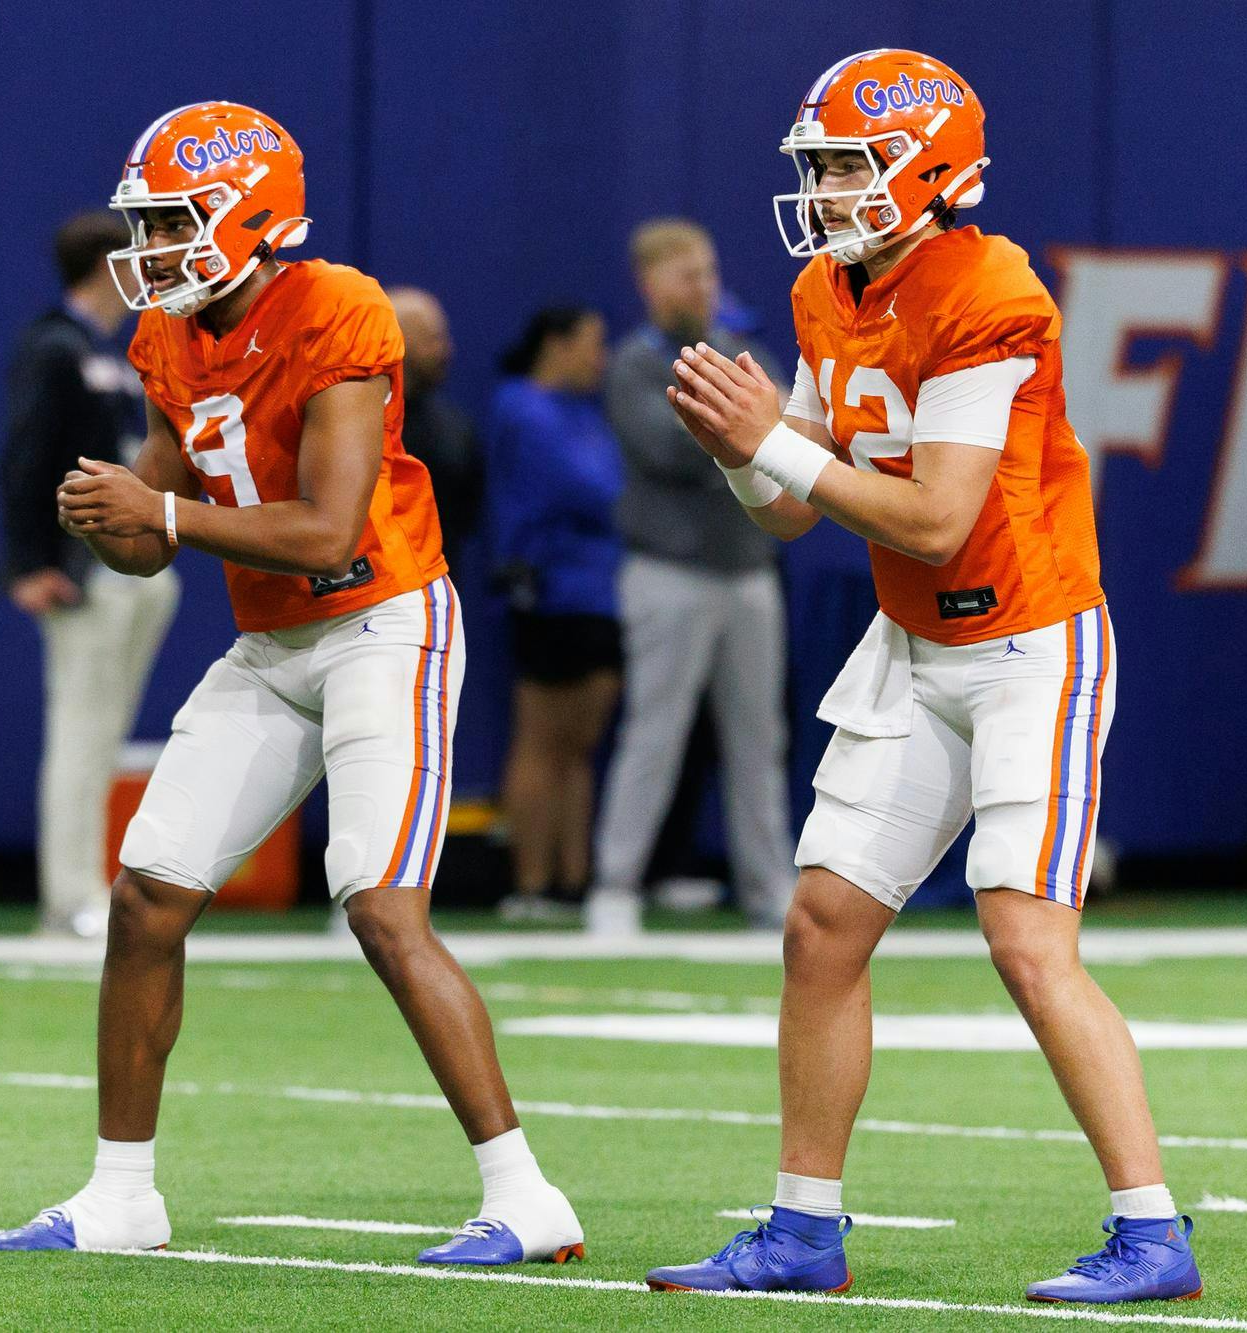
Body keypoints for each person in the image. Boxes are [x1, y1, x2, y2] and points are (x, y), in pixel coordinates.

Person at [0, 101, 584, 1268]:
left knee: (378, 904)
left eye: (172, 223)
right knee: (148, 894)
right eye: (145, 226)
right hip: (272, 648)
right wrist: (109, 517)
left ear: (250, 214)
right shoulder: (167, 333)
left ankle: (524, 1194)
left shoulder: (337, 307)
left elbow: (320, 530)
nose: (150, 250)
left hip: (380, 624)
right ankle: (120, 1194)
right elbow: (159, 531)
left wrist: (157, 509)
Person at [643, 52, 1200, 1304]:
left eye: (850, 163)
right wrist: (744, 458)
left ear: (930, 169)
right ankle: (801, 1230)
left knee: (1024, 941)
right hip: (912, 650)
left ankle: (1151, 1231)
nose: (829, 189)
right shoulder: (822, 290)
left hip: (1024, 645)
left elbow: (939, 519)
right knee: (821, 928)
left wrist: (775, 443)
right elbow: (792, 514)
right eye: (821, 165)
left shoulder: (986, 285)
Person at [589, 218, 796, 933]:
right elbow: (668, 448)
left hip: (748, 573)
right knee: (655, 733)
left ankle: (771, 890)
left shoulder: (742, 350)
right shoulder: (635, 363)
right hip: (667, 574)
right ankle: (615, 887)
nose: (704, 286)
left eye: (708, 272)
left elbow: (795, 427)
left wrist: (743, 438)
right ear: (653, 284)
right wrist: (747, 440)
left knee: (758, 740)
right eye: (688, 275)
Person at [0, 211, 180, 938]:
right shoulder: (52, 346)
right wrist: (30, 562)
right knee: (79, 729)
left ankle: (90, 884)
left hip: (132, 567)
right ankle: (67, 894)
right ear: (107, 262)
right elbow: (24, 458)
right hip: (82, 571)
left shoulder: (108, 350)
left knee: (105, 734)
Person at [485, 308, 624, 922]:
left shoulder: (585, 412)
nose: (603, 359)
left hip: (599, 594)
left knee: (580, 746)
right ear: (555, 344)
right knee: (541, 741)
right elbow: (594, 486)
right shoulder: (522, 407)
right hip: (549, 593)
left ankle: (574, 884)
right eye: (594, 344)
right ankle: (531, 885)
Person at [387, 287, 483, 568]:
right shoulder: (355, 425)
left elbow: (467, 515)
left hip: (438, 581)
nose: (446, 351)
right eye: (433, 340)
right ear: (397, 340)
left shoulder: (455, 428)